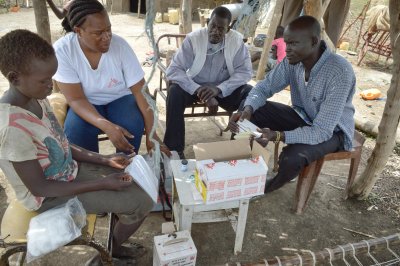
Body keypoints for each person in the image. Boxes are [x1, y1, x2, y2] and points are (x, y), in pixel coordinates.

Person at [0, 30, 152, 262]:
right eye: (44, 80)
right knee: (141, 201)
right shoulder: (12, 128)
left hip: (67, 173)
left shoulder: (36, 97)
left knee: (135, 181)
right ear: (14, 78)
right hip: (48, 197)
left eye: (51, 77)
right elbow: (41, 188)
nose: (51, 86)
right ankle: (109, 252)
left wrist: (104, 159)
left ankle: (111, 244)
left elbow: (62, 144)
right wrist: (101, 183)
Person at [229, 16, 356, 193]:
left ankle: (266, 187)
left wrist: (279, 135)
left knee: (292, 157)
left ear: (313, 41)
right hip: (304, 116)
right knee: (250, 108)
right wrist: (247, 110)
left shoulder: (339, 71)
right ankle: (237, 164)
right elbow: (264, 87)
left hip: (333, 131)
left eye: (293, 44)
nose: (287, 50)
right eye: (286, 43)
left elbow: (322, 131)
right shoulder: (292, 61)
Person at [53, 0, 170, 155]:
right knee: (76, 131)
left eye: (109, 29)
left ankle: (128, 165)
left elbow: (141, 93)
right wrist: (107, 126)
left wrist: (152, 136)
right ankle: (93, 173)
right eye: (98, 33)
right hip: (86, 101)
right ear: (78, 31)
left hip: (120, 98)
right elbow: (76, 99)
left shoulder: (120, 47)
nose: (107, 36)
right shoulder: (63, 50)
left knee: (132, 123)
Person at [164, 6, 253, 158]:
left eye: (221, 28)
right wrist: (199, 90)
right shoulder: (194, 39)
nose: (215, 32)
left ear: (228, 29)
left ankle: (237, 148)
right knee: (174, 93)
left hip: (223, 90)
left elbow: (245, 72)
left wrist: (218, 89)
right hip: (195, 87)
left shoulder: (236, 41)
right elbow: (174, 70)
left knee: (249, 93)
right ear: (207, 23)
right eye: (212, 26)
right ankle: (174, 151)